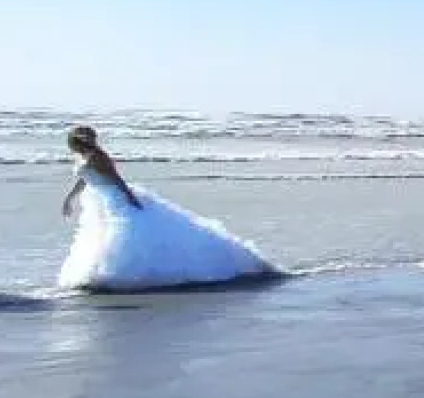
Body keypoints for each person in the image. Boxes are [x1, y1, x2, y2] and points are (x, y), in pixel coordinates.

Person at [56, 125, 278, 293]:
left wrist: (130, 198)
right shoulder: (85, 158)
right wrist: (69, 198)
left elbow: (116, 179)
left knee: (125, 236)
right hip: (101, 203)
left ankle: (123, 275)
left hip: (116, 199)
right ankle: (99, 273)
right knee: (102, 237)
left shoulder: (98, 157)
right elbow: (85, 179)